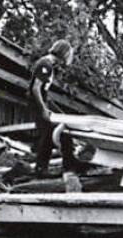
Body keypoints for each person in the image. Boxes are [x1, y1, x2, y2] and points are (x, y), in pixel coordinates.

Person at [30, 40, 77, 177]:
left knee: (55, 133)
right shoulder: (45, 64)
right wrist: (43, 108)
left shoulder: (49, 64)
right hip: (37, 103)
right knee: (48, 134)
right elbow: (35, 88)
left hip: (43, 102)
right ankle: (41, 169)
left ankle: (67, 166)